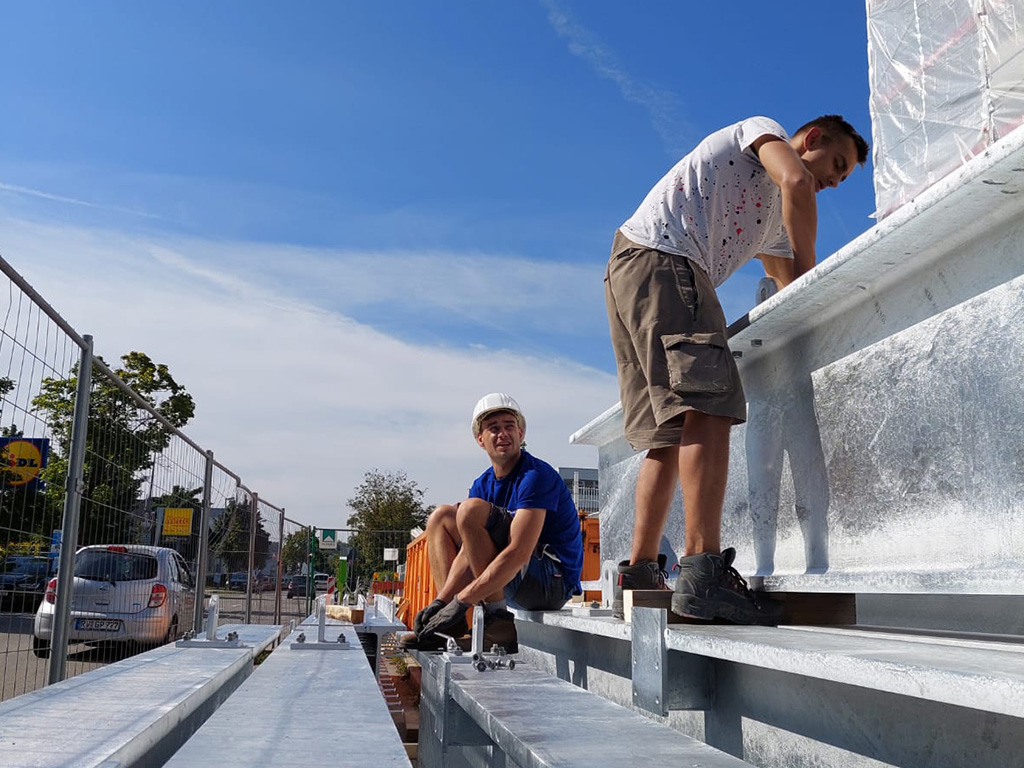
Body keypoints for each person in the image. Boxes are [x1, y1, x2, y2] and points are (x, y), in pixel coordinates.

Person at [605, 115, 869, 624]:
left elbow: (786, 279)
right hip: (669, 259)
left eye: (841, 180)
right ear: (811, 139)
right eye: (835, 164)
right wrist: (812, 270)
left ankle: (638, 573)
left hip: (629, 268)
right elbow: (795, 182)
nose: (832, 182)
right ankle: (702, 573)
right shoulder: (760, 132)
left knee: (666, 433)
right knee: (710, 402)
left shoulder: (773, 222)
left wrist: (806, 286)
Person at [401, 393, 584, 652]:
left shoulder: (536, 476)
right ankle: (450, 626)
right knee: (441, 517)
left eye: (510, 426)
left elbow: (519, 552)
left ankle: (498, 626)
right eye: (494, 428)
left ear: (521, 434)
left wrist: (462, 600)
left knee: (469, 511)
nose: (503, 434)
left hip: (550, 584)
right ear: (480, 439)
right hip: (513, 579)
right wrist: (442, 603)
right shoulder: (483, 484)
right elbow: (469, 550)